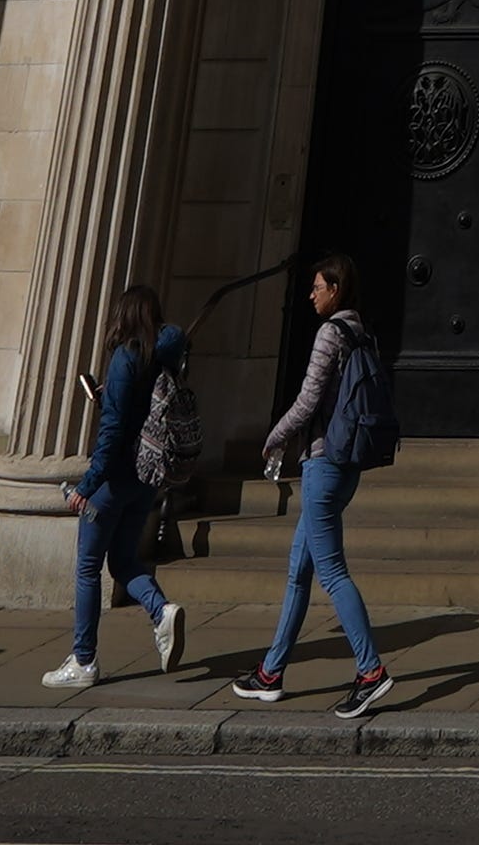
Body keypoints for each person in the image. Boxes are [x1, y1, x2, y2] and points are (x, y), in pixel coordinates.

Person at [230, 254, 399, 717]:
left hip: (323, 465)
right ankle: (271, 672)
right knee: (298, 571)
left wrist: (273, 437)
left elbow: (308, 402)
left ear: (335, 289)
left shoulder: (330, 334)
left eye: (318, 287)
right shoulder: (362, 332)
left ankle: (370, 672)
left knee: (332, 572)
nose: (311, 294)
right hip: (345, 466)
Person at [44, 280, 191, 685]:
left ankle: (83, 660)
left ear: (123, 316)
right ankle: (161, 611)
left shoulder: (126, 359)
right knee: (125, 560)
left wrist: (86, 487)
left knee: (88, 567)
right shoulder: (163, 357)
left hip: (114, 480)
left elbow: (111, 434)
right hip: (145, 478)